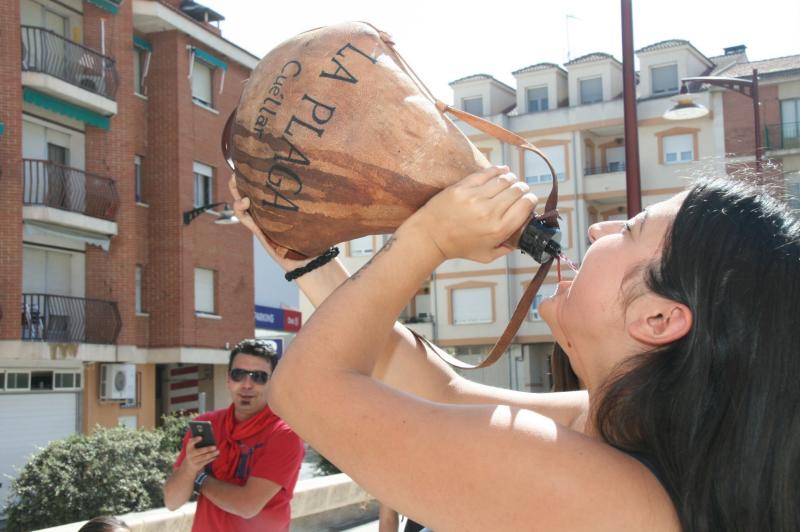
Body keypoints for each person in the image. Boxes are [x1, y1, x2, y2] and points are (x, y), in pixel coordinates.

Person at [230, 168, 800, 531]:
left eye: (630, 231)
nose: (601, 228)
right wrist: (304, 257)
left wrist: (429, 239)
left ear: (657, 318)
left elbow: (305, 391)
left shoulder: (595, 490)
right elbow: (436, 389)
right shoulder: (612, 432)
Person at [163, 339, 305, 531]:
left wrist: (199, 479)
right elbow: (172, 502)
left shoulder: (285, 435)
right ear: (228, 380)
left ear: (273, 383)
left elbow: (246, 506)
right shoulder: (208, 424)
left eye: (259, 377)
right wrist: (189, 467)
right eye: (239, 375)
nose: (247, 384)